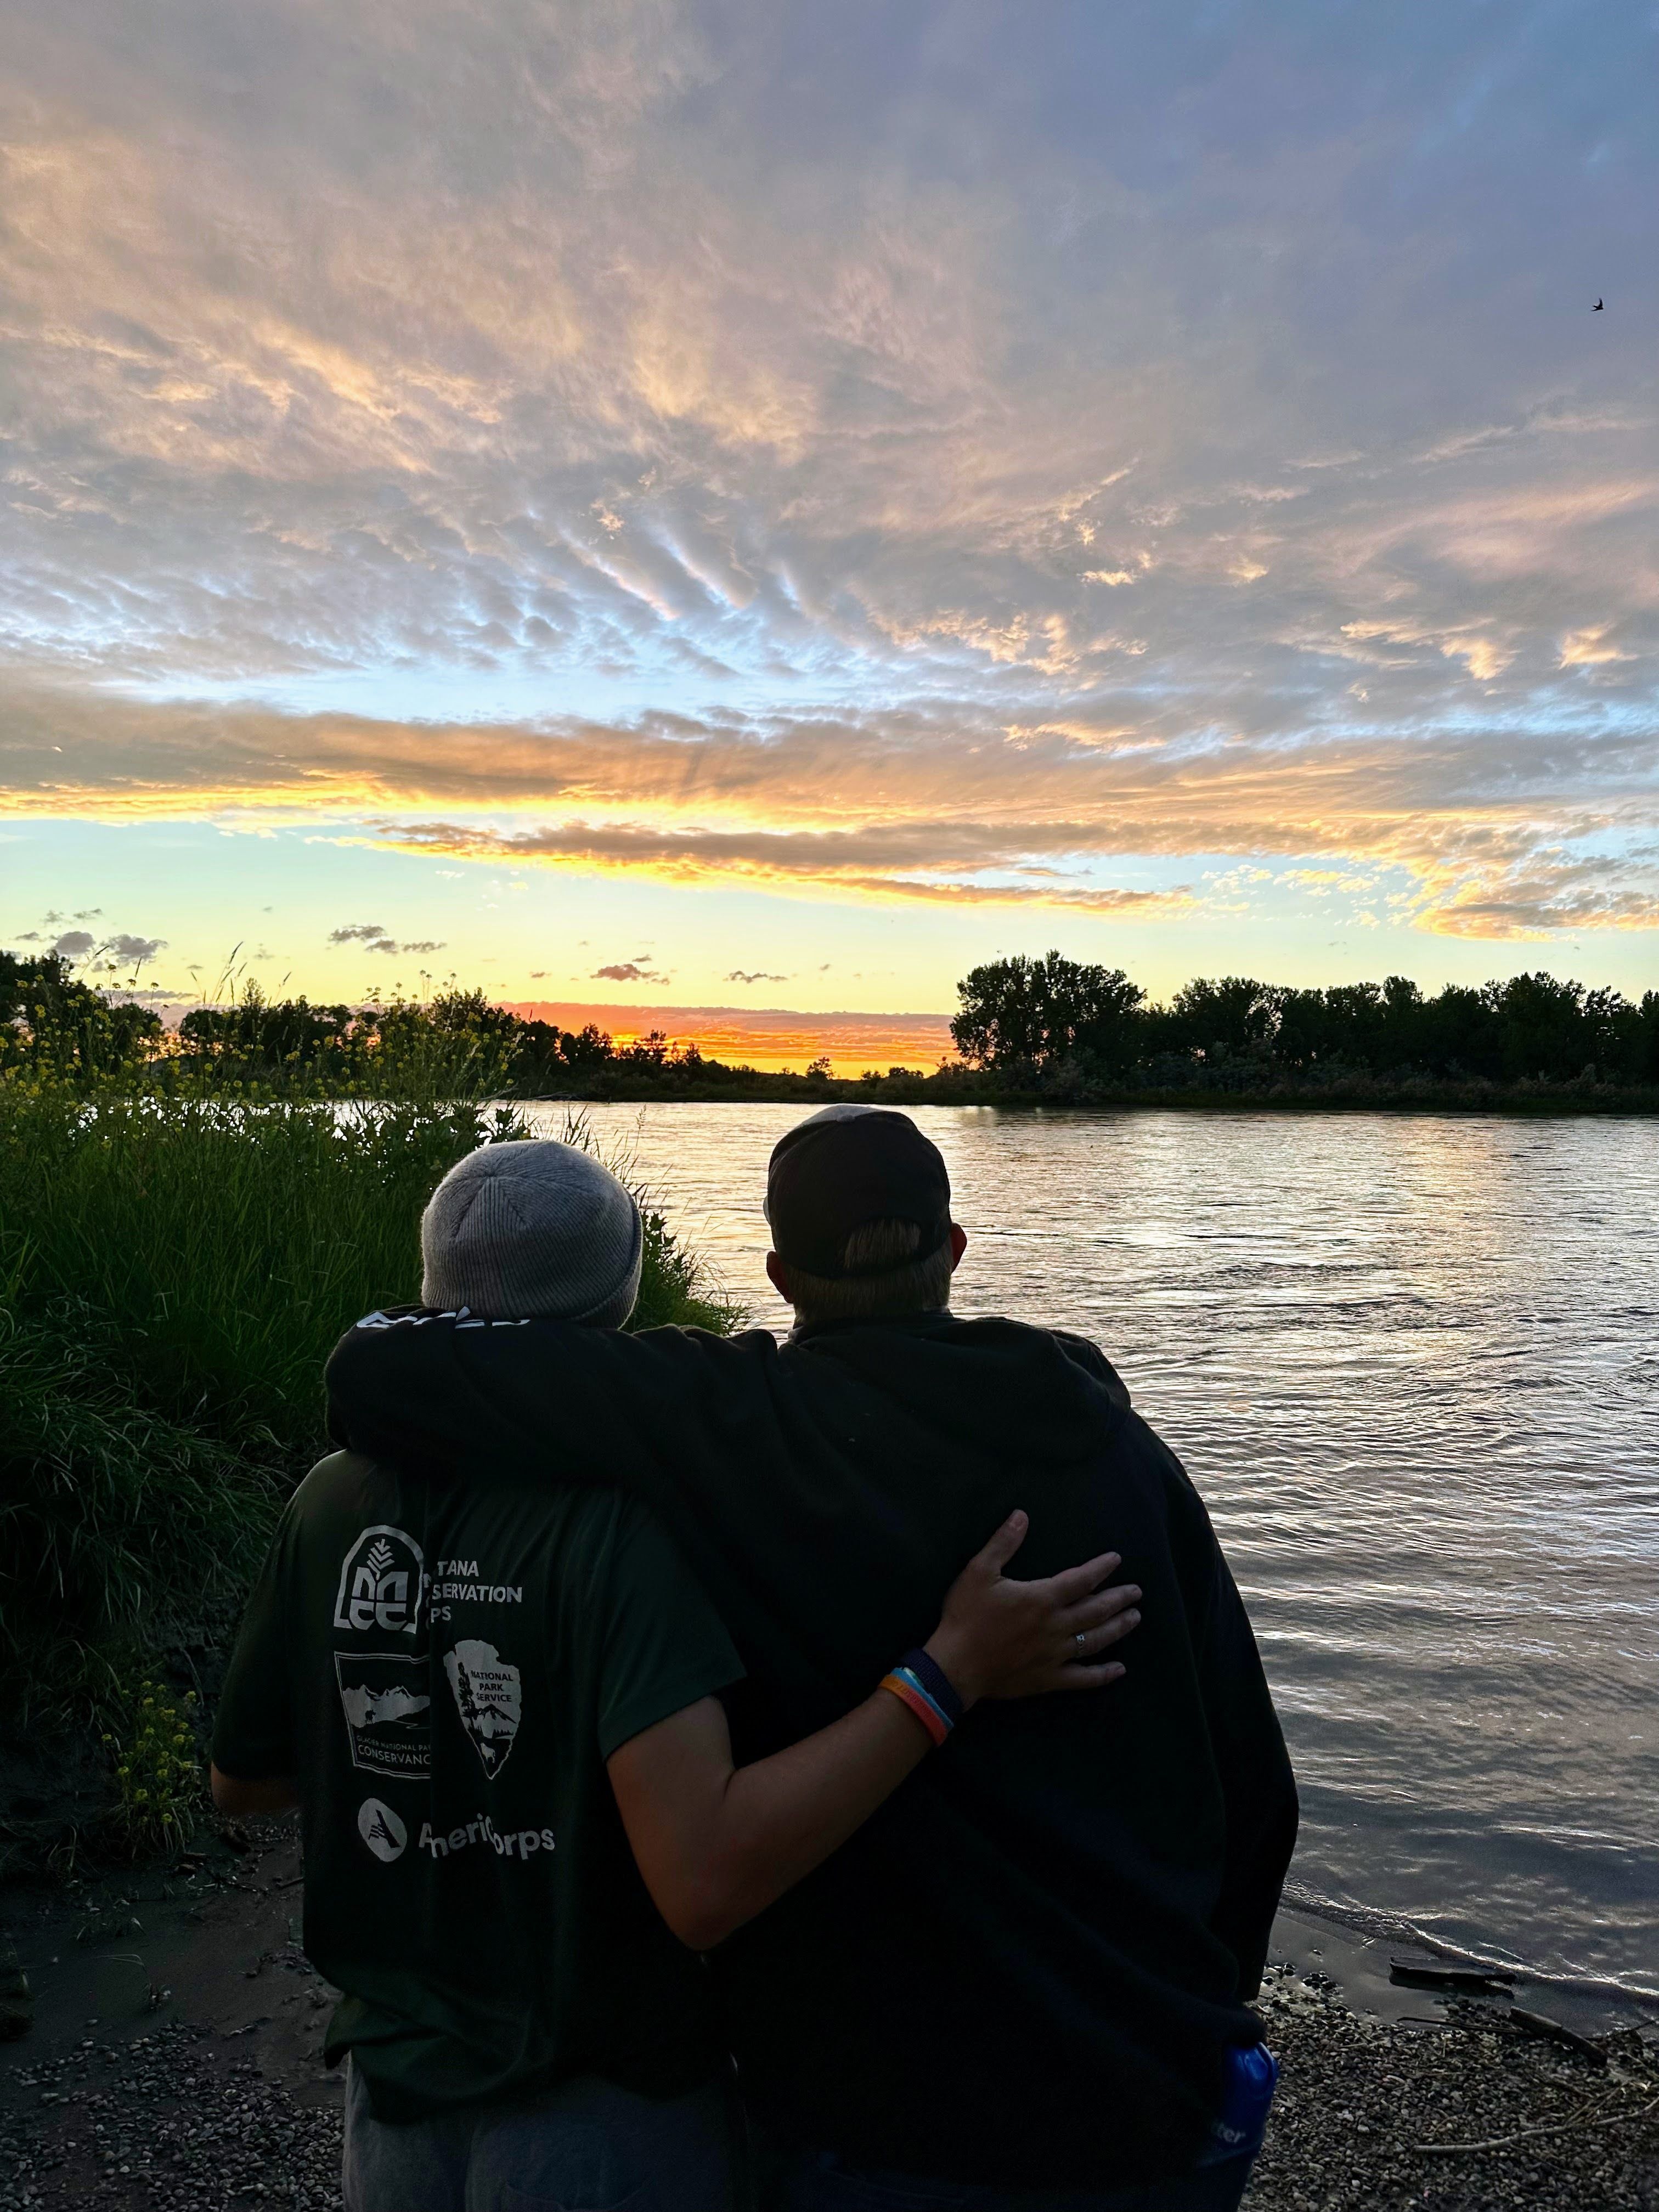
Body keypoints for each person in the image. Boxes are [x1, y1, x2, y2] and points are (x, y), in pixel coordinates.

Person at [325, 1107, 1298, 2210]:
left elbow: (379, 1372)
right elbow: (1256, 1790)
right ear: (957, 1250)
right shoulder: (1121, 1452)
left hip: (876, 2114)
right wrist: (1207, 2015)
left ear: (781, 1274)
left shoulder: (732, 1427)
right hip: (1144, 2093)